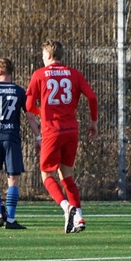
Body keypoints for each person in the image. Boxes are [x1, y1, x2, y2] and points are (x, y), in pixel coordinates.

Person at [25, 39, 98, 233]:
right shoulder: (74, 74)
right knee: (67, 175)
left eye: (43, 55)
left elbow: (29, 106)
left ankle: (67, 207)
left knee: (47, 175)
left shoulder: (39, 74)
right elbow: (92, 97)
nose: (42, 58)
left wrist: (43, 113)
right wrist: (93, 121)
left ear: (49, 55)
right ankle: (78, 217)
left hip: (52, 131)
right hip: (71, 130)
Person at [0, 58, 40, 229]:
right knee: (13, 180)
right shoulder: (20, 91)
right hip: (12, 138)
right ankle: (11, 220)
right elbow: (30, 116)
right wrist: (38, 137)